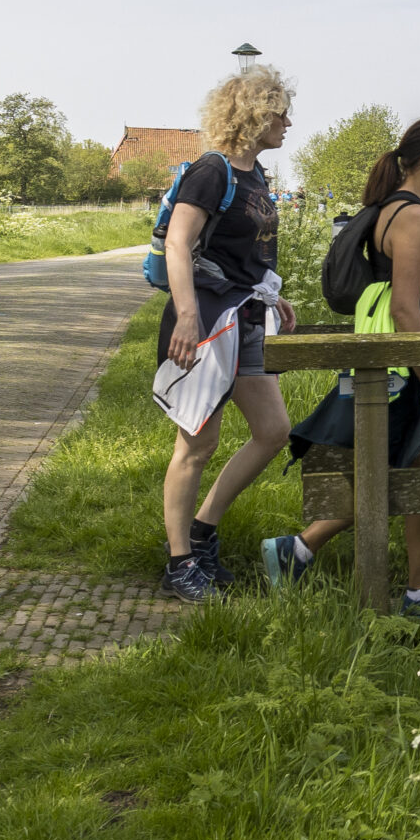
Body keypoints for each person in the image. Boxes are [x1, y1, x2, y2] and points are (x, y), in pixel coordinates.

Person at [263, 119, 420, 616]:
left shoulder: (388, 209)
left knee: (405, 469)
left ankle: (298, 551)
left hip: (393, 364)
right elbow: (406, 308)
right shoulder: (414, 217)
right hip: (407, 368)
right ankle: (419, 595)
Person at [153, 68, 297, 603]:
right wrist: (188, 315)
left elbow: (243, 254)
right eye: (280, 111)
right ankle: (179, 562)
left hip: (247, 318)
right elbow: (177, 243)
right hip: (208, 324)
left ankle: (203, 530)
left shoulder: (255, 175)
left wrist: (269, 291)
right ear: (255, 113)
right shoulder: (211, 171)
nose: (288, 122)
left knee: (273, 429)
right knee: (198, 442)